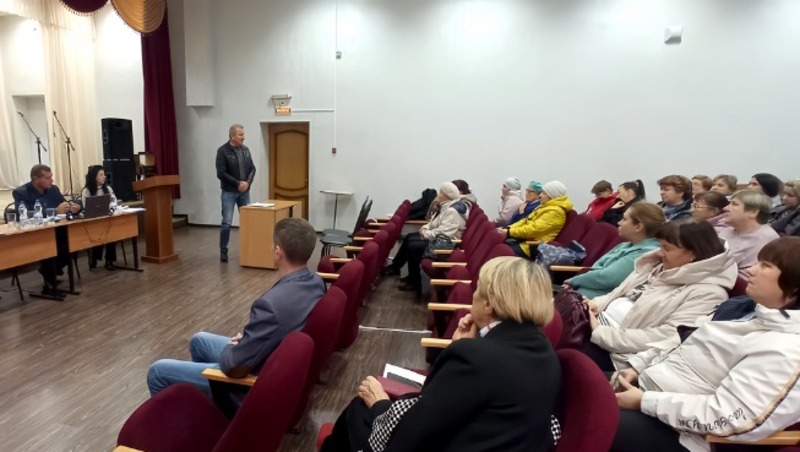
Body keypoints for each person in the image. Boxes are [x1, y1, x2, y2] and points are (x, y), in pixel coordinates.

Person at [321, 257, 562, 452]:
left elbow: (415, 432)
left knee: (359, 409)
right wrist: (465, 346)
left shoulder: (475, 358)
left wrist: (380, 405)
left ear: (489, 304)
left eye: (477, 289)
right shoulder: (545, 351)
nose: (473, 295)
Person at [611, 237, 800, 452]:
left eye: (765, 266)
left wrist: (644, 401)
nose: (751, 270)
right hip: (651, 389)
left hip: (686, 435)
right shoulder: (744, 308)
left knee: (592, 419)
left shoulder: (789, 349)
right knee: (580, 385)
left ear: (795, 286)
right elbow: (683, 339)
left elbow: (730, 417)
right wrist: (637, 367)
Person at [146, 218, 325, 403]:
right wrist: (249, 340)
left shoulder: (270, 305)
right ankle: (206, 406)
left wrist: (235, 346)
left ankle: (210, 408)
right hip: (271, 353)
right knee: (198, 341)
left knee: (157, 371)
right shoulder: (316, 282)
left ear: (278, 251)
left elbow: (234, 367)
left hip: (251, 381)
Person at [581, 220, 737, 371]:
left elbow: (667, 336)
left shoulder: (709, 294)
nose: (660, 253)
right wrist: (596, 304)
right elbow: (619, 293)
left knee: (568, 351)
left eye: (667, 248)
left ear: (694, 253)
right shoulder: (655, 266)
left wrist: (601, 333)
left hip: (619, 354)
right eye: (660, 246)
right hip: (600, 327)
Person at [564, 203, 665, 298]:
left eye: (624, 219)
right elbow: (596, 268)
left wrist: (573, 281)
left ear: (638, 227)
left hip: (592, 302)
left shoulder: (645, 253)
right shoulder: (625, 245)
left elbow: (606, 277)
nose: (619, 222)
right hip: (579, 292)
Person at [384, 182, 467, 295]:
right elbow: (432, 223)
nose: (438, 195)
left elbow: (443, 233)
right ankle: (400, 270)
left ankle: (415, 283)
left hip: (446, 244)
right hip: (437, 238)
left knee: (413, 246)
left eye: (441, 192)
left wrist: (425, 233)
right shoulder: (445, 206)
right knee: (409, 237)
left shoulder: (452, 211)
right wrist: (424, 230)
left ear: (446, 195)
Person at [12, 164, 80, 296]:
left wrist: (72, 207)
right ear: (36, 179)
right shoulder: (21, 193)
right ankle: (49, 282)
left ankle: (50, 272)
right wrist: (54, 211)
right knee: (51, 245)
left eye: (51, 177)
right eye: (48, 178)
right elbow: (23, 214)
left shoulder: (53, 189)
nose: (51, 181)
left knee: (74, 241)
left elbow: (63, 206)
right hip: (34, 233)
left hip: (57, 229)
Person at [216, 124, 256, 263]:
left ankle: (249, 250)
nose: (243, 137)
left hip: (245, 192)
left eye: (243, 134)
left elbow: (252, 169)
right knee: (226, 222)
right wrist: (237, 183)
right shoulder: (223, 151)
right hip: (229, 192)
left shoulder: (245, 150)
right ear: (232, 136)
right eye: (240, 135)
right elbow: (221, 173)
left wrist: (247, 183)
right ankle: (223, 251)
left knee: (247, 222)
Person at [717, 190, 779, 279]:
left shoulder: (766, 240)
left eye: (734, 204)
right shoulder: (727, 231)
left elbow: (749, 279)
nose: (725, 208)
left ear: (753, 212)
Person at [502, 181, 573, 258]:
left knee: (501, 250)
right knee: (499, 242)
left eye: (544, 193)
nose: (540, 196)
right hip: (525, 241)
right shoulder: (545, 206)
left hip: (533, 247)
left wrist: (509, 232)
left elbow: (533, 230)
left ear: (552, 195)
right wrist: (508, 229)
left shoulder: (555, 212)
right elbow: (525, 221)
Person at [81, 165, 118, 270]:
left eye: (104, 174)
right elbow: (86, 207)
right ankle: (95, 256)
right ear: (94, 177)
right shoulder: (87, 191)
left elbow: (114, 202)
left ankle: (109, 260)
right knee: (100, 232)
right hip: (93, 222)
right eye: (101, 175)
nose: (104, 176)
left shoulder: (108, 189)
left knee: (112, 233)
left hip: (106, 219)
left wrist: (111, 207)